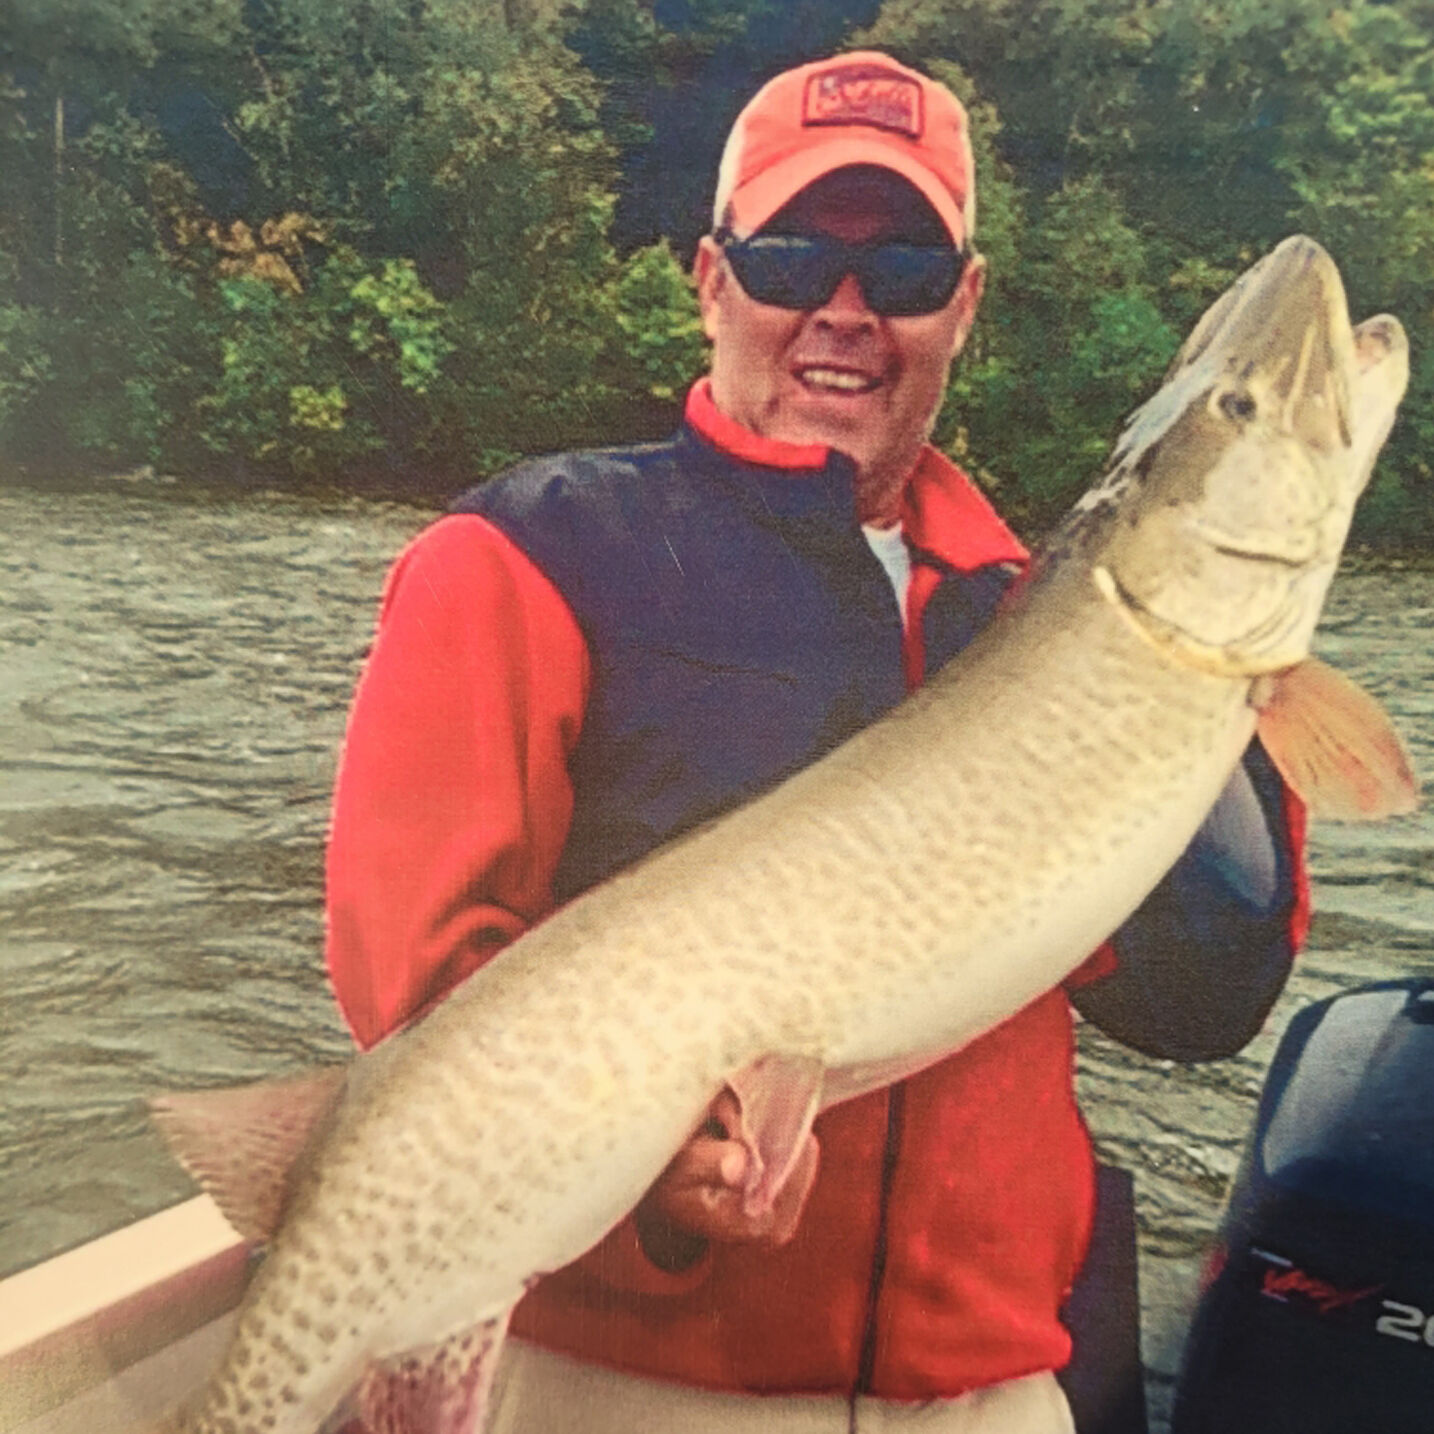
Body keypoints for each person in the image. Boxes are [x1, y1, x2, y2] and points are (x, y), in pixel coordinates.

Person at [325, 51, 1307, 1434]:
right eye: (791, 256)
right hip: (634, 1386)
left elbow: (1191, 1001)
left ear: (961, 306)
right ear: (711, 279)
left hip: (988, 1392)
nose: (842, 312)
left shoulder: (1026, 608)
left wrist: (1218, 702)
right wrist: (660, 1176)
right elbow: (423, 1002)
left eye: (901, 271)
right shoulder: (523, 555)